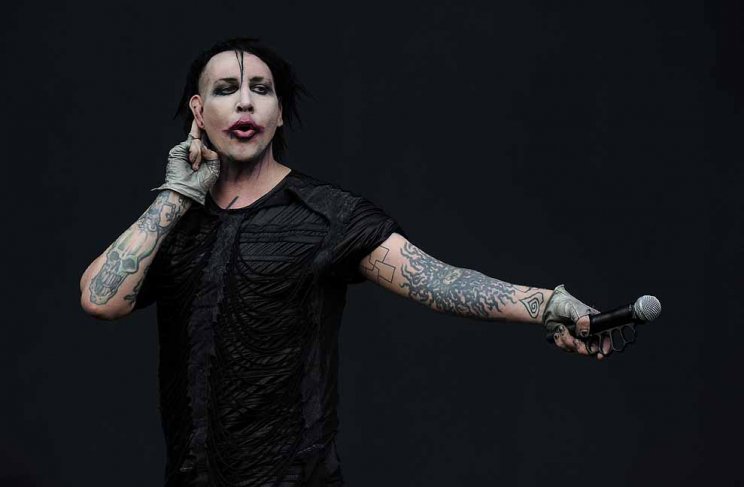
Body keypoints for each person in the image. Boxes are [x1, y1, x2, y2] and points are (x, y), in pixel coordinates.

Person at [79, 37, 611, 487]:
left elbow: (438, 280)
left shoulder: (328, 214)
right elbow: (101, 300)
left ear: (279, 112)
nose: (245, 104)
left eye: (261, 90)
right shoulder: (175, 221)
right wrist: (176, 195)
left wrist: (549, 305)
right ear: (199, 112)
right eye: (226, 90)